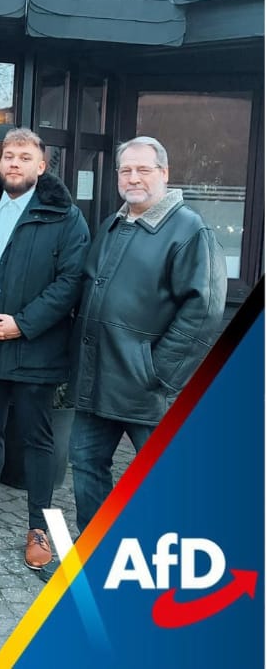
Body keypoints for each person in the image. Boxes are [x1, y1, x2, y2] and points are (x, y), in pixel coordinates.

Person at [0, 127, 89, 571]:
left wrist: (22, 325)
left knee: (37, 439)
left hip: (36, 350)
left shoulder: (65, 217)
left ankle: (39, 529)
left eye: (25, 157)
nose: (14, 163)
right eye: (8, 155)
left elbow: (70, 283)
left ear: (41, 166)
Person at [69, 136, 227, 534]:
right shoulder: (113, 223)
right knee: (87, 466)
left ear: (164, 173)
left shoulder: (190, 229)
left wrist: (157, 372)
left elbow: (204, 310)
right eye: (126, 170)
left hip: (147, 388)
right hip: (97, 380)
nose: (133, 178)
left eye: (143, 169)